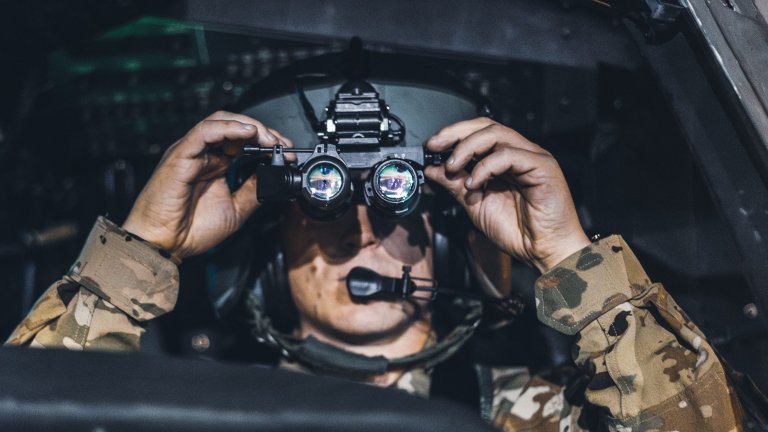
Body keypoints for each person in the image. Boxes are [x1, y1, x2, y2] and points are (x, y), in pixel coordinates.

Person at [5, 112, 744, 431]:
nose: (362, 231)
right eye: (324, 213)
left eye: (396, 213)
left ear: (445, 249)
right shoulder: (200, 412)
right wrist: (142, 249)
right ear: (271, 264)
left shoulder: (539, 414)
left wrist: (567, 256)